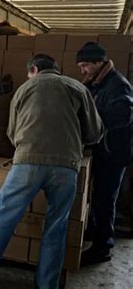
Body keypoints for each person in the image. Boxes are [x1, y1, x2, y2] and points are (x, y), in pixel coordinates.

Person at [0, 54, 103, 288]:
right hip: (66, 166)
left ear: (35, 69)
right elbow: (94, 132)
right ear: (57, 70)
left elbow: (12, 132)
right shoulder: (77, 87)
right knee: (56, 225)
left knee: (2, 218)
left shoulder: (24, 89)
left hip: (27, 164)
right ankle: (46, 283)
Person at [75, 42, 133, 266]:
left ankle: (103, 247)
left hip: (113, 154)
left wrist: (91, 120)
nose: (82, 70)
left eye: (85, 65)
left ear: (99, 63)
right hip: (101, 150)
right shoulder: (97, 82)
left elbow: (122, 117)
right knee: (97, 196)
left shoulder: (118, 85)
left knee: (106, 199)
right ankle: (94, 231)